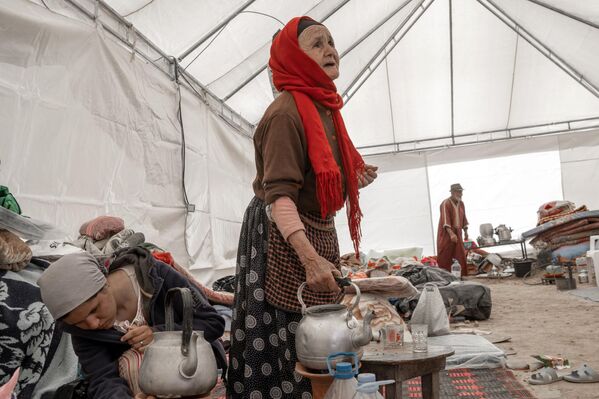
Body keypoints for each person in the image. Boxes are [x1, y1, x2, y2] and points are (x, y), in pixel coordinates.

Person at [227, 16, 378, 399]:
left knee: (320, 323)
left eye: (331, 41)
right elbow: (280, 196)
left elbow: (311, 174)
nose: (330, 49)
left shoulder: (323, 106)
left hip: (312, 227)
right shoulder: (284, 114)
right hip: (281, 233)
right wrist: (310, 259)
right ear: (294, 58)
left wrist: (350, 178)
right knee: (287, 330)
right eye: (316, 44)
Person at [38, 248, 226, 399]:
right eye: (79, 322)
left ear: (104, 284)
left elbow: (212, 322)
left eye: (94, 310)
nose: (93, 324)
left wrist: (160, 335)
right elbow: (102, 377)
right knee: (132, 363)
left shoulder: (156, 276)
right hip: (140, 390)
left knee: (137, 361)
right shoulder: (81, 331)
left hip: (191, 370)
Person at [436, 183, 469, 275]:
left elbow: (464, 219)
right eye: (459, 192)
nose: (461, 194)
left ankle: (460, 276)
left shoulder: (461, 204)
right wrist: (451, 234)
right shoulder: (445, 203)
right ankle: (445, 276)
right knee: (446, 255)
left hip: (458, 233)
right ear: (453, 192)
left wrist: (466, 231)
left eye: (461, 192)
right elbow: (445, 220)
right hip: (446, 233)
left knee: (460, 255)